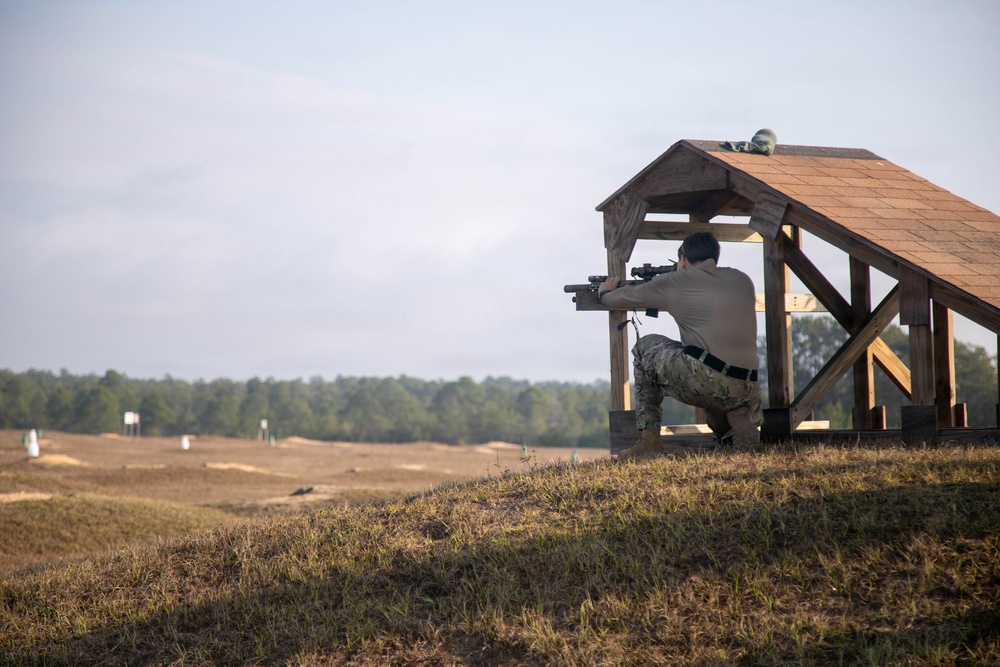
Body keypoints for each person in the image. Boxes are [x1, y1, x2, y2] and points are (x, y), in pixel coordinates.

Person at [598, 231, 761, 457]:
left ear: (682, 260)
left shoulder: (676, 281)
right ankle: (733, 427)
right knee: (720, 411)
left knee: (645, 346)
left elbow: (616, 299)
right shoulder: (742, 279)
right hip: (748, 388)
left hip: (706, 381)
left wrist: (605, 292)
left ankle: (650, 440)